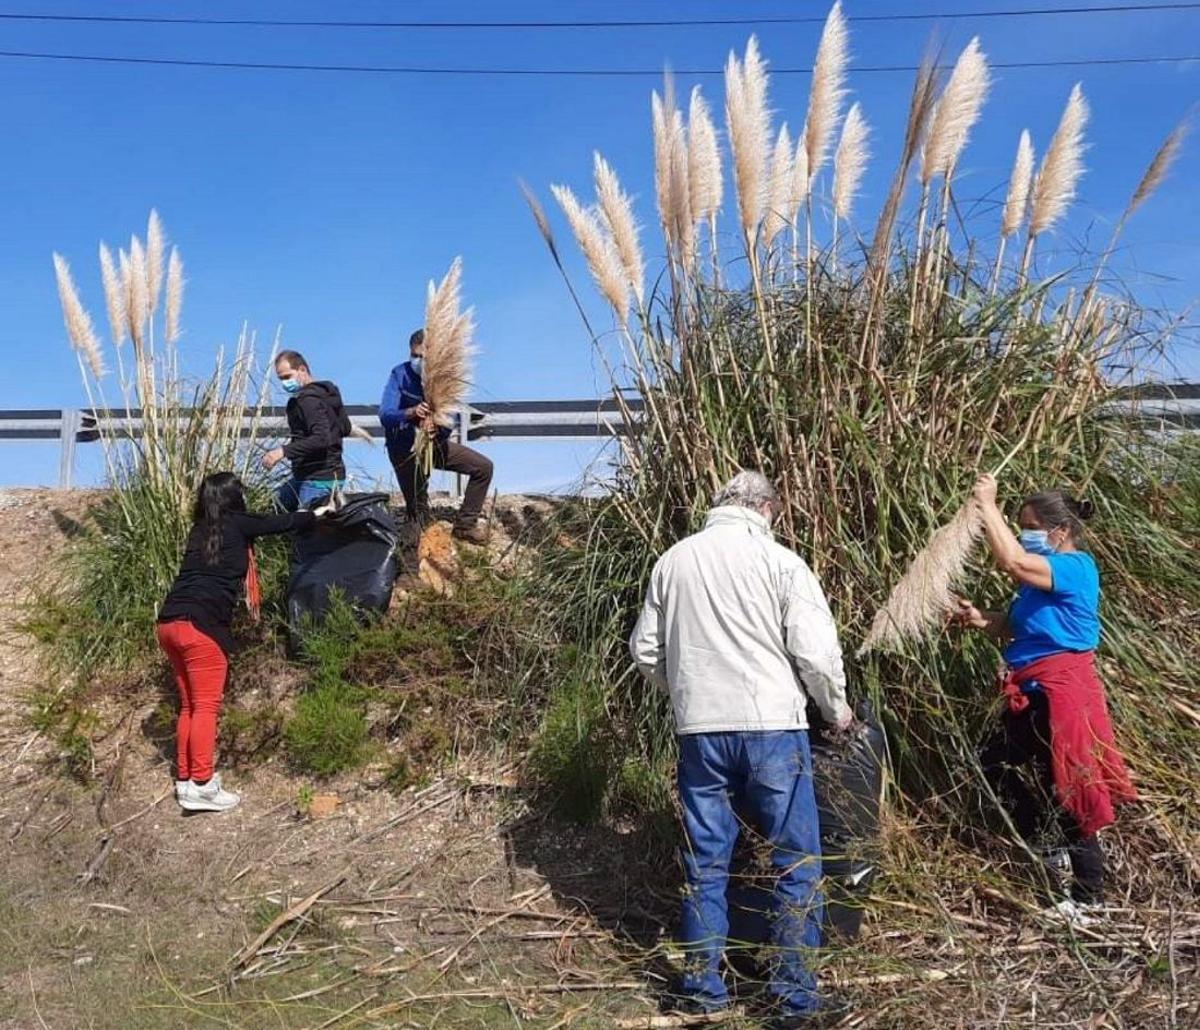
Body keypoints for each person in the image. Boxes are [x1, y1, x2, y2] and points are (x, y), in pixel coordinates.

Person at [629, 471, 853, 1027]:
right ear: (767, 508)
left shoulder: (673, 561)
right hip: (773, 727)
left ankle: (703, 989)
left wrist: (687, 692)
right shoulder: (782, 563)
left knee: (705, 863)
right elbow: (818, 654)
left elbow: (645, 650)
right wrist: (837, 711)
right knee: (796, 862)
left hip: (700, 733)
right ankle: (793, 999)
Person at [955, 474, 1135, 922]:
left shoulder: (1076, 568)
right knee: (991, 761)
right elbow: (1016, 627)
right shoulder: (1038, 584)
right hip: (1033, 691)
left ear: (1060, 532)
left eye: (1030, 526)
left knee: (1074, 783)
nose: (1024, 535)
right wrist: (980, 619)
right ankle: (1048, 844)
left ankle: (1090, 897)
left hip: (1066, 693)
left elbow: (1013, 562)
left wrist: (988, 505)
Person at [157, 472, 320, 812]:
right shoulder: (238, 523)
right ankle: (202, 785)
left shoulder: (199, 530)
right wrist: (317, 515)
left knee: (188, 706)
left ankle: (187, 781)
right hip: (201, 626)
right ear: (234, 498)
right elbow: (282, 522)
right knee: (205, 708)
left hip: (169, 623)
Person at [378, 329, 493, 544]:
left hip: (434, 446)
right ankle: (415, 527)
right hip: (404, 450)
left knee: (483, 467)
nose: (419, 361)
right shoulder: (399, 374)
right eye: (415, 356)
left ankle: (465, 526)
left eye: (425, 357)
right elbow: (385, 415)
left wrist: (438, 427)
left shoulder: (445, 379)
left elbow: (453, 418)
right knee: (418, 510)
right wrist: (412, 412)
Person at [263, 350, 352, 512]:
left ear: (302, 370)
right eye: (281, 379)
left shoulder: (307, 400)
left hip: (318, 477)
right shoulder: (328, 393)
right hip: (328, 473)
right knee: (278, 504)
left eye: (287, 376)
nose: (284, 383)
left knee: (306, 526)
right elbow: (346, 428)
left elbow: (321, 438)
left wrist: (283, 451)